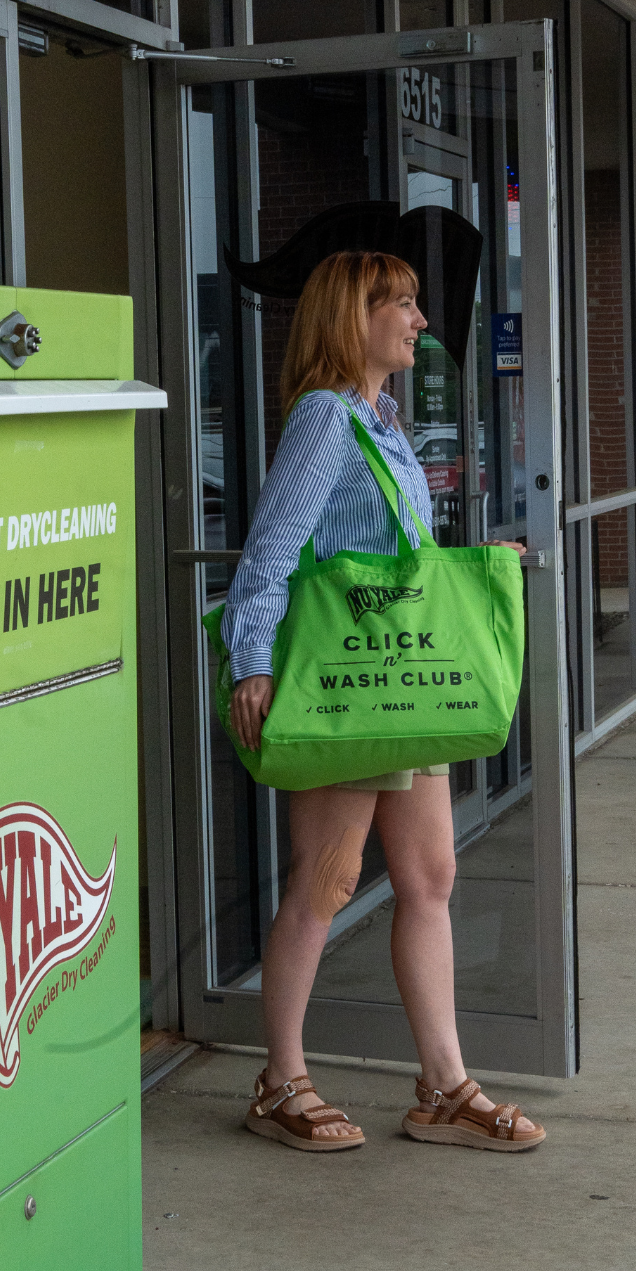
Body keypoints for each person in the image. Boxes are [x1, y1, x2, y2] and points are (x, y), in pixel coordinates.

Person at [222, 250, 545, 1154]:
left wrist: (474, 571)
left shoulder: (383, 420)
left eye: (414, 301)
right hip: (350, 687)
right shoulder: (325, 419)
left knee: (430, 879)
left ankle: (443, 1086)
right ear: (348, 317)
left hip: (398, 680)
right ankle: (278, 1079)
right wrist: (254, 660)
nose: (419, 320)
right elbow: (273, 548)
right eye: (400, 303)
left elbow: (395, 559)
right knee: (324, 885)